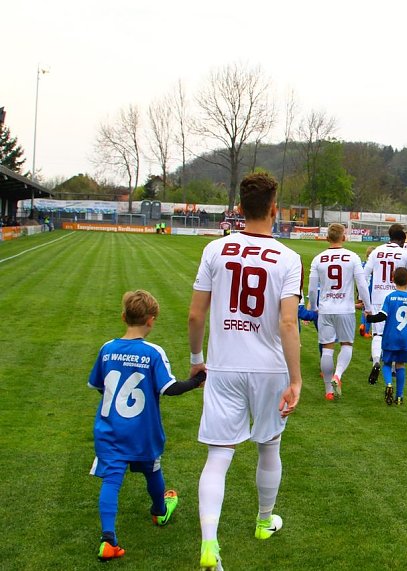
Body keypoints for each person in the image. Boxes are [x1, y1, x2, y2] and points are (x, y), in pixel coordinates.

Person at [187, 173, 304, 571]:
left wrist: (195, 358)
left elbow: (194, 314)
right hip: (269, 368)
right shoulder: (288, 258)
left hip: (224, 365)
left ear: (238, 210)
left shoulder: (215, 250)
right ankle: (263, 520)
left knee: (218, 457)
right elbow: (289, 324)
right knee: (269, 446)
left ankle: (209, 544)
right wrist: (296, 379)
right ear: (276, 210)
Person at [88, 290, 205, 561]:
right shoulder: (152, 352)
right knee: (152, 469)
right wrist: (197, 381)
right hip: (142, 431)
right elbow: (170, 389)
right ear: (151, 320)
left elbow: (98, 385)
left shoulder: (107, 348)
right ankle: (159, 511)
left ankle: (108, 540)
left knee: (111, 480)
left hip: (109, 430)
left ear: (123, 317)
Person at [307, 223, 373, 401]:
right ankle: (338, 375)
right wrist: (368, 307)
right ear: (343, 237)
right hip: (345, 309)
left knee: (327, 349)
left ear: (327, 238)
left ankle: (328, 390)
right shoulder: (352, 257)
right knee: (346, 345)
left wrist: (313, 307)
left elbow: (313, 289)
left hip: (326, 309)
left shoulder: (318, 259)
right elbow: (362, 285)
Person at [364, 223, 407, 384]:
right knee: (396, 331)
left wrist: (364, 298)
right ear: (401, 240)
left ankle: (376, 361)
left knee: (378, 334)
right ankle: (394, 368)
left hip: (378, 296)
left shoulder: (376, 251)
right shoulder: (404, 253)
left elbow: (365, 275)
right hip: (397, 297)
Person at [364, 267, 407, 405]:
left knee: (387, 363)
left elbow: (382, 316)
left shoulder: (389, 297)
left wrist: (369, 318)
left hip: (390, 337)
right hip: (405, 339)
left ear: (393, 280)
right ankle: (400, 396)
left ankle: (389, 384)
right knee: (401, 365)